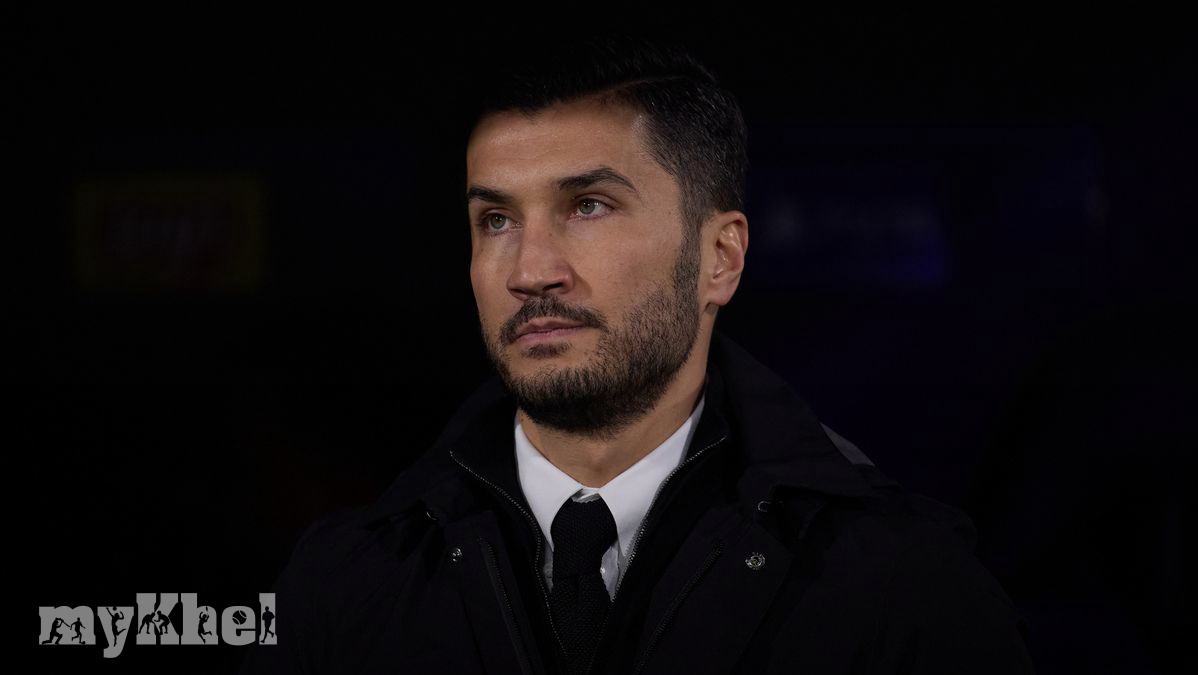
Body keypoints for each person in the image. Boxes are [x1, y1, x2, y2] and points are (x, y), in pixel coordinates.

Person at [240, 35, 1033, 674]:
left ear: (720, 258)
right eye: (496, 220)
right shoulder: (345, 584)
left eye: (588, 205)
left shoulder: (900, 587)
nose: (529, 270)